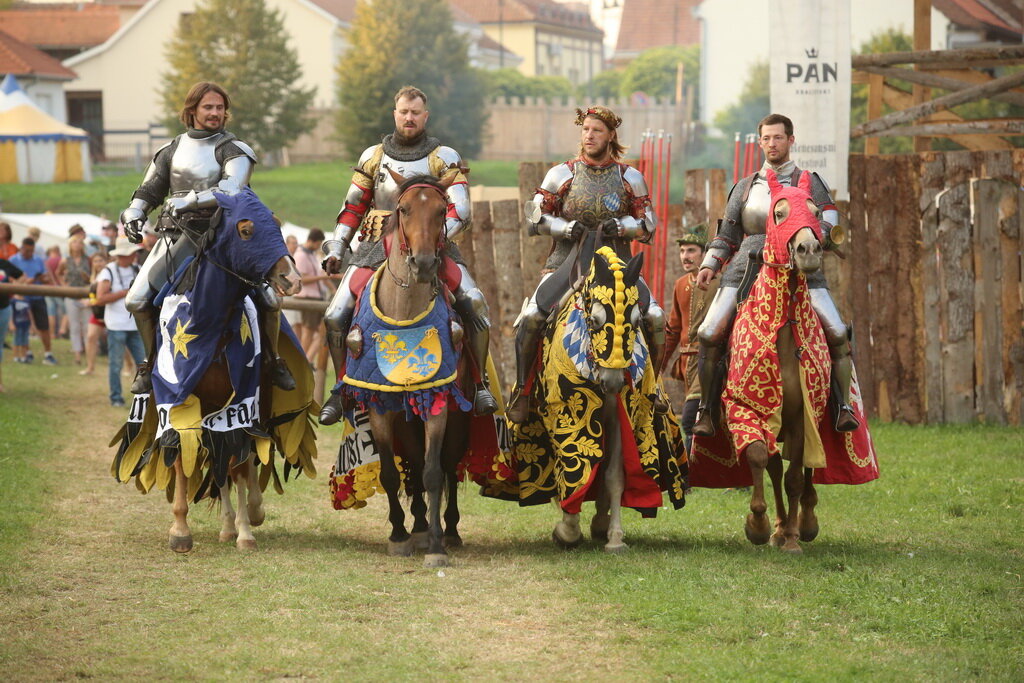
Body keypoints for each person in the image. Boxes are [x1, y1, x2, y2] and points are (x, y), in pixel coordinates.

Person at [318, 85, 496, 424]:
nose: (409, 117)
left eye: (415, 112)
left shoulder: (444, 157)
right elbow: (353, 206)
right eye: (404, 111)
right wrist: (339, 246)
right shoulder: (373, 157)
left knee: (474, 302)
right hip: (374, 247)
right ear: (395, 114)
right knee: (334, 314)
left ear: (425, 116)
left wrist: (432, 241)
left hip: (433, 245)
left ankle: (479, 383)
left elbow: (461, 210)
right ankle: (341, 388)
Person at [118, 81, 294, 394]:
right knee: (137, 299)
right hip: (176, 238)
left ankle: (273, 359)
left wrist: (192, 200)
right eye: (208, 107)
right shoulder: (171, 149)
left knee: (267, 298)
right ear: (192, 110)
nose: (215, 113)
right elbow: (150, 188)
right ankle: (149, 364)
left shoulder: (233, 148)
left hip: (225, 238)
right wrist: (135, 211)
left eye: (219, 107)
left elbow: (233, 188)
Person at [693, 113, 857, 436]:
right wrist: (710, 264)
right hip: (746, 266)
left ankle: (842, 407)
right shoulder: (745, 187)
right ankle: (707, 411)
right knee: (710, 333)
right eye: (766, 139)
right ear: (760, 142)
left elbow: (830, 226)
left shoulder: (809, 182)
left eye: (778, 138)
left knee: (837, 332)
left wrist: (809, 240)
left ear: (791, 140)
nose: (772, 144)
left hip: (800, 266)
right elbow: (727, 234)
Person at [506, 106, 663, 424]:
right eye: (586, 130)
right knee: (532, 317)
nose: (589, 136)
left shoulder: (629, 177)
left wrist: (623, 227)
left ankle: (654, 388)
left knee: (655, 316)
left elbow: (648, 224)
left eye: (597, 131)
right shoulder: (561, 174)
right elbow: (533, 217)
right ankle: (523, 392)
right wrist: (563, 228)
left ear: (611, 136)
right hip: (567, 262)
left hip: (617, 265)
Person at [661, 224, 717, 452]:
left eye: (691, 250)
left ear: (705, 254)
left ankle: (686, 478)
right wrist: (659, 364)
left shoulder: (719, 284)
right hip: (687, 365)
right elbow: (673, 329)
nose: (686, 256)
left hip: (712, 360)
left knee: (689, 418)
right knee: (710, 420)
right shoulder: (680, 285)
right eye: (683, 251)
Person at [95, 238, 145, 407]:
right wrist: (125, 292)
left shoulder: (137, 269)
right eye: (132, 253)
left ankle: (144, 398)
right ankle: (116, 397)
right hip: (116, 325)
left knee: (143, 364)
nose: (135, 256)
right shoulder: (108, 271)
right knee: (116, 364)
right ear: (125, 255)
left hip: (134, 324)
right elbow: (100, 298)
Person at [9, 237, 57, 365]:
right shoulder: (13, 260)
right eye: (27, 251)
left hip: (37, 297)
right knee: (23, 326)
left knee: (43, 326)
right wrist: (25, 281)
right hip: (21, 299)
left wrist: (41, 278)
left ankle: (48, 353)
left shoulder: (38, 260)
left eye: (32, 251)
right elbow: (8, 279)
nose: (29, 253)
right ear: (22, 248)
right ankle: (26, 353)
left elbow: (46, 277)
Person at [292, 228, 332, 362]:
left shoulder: (310, 254)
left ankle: (306, 360)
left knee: (318, 333)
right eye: (318, 243)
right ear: (313, 241)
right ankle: (303, 361)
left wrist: (332, 288)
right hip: (307, 297)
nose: (318, 247)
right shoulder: (301, 255)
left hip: (315, 297)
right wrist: (319, 278)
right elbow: (302, 279)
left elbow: (319, 275)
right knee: (308, 333)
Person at [57, 235, 92, 365]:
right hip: (71, 295)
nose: (77, 244)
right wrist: (63, 285)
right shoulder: (65, 260)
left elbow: (93, 275)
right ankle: (77, 355)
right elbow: (58, 273)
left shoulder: (88, 260)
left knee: (87, 326)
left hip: (85, 294)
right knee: (74, 326)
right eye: (75, 242)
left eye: (80, 242)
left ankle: (89, 354)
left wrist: (88, 279)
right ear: (70, 245)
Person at [80, 251, 110, 376]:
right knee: (91, 337)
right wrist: (89, 301)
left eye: (101, 260)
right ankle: (90, 368)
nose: (98, 263)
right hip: (97, 313)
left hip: (110, 312)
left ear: (106, 261)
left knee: (121, 342)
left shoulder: (109, 274)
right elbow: (93, 296)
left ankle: (129, 366)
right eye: (95, 261)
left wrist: (92, 301)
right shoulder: (93, 277)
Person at [0, 254, 25, 390]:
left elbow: (21, 276)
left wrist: (15, 287)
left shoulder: (4, 264)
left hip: (3, 308)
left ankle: (0, 382)